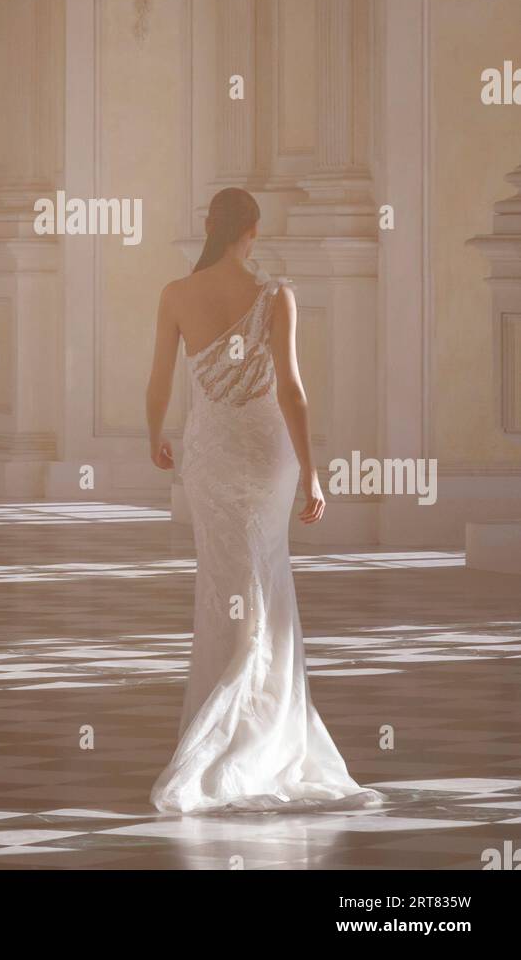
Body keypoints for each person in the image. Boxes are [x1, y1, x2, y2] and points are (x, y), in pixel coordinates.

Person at [145, 187, 382, 813]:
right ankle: (260, 735)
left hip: (210, 456)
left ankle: (227, 726)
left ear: (209, 226)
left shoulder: (176, 294)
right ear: (250, 230)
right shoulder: (276, 295)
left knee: (225, 579)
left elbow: (158, 380)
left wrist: (154, 438)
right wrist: (312, 471)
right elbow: (293, 391)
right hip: (265, 455)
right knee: (266, 582)